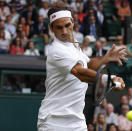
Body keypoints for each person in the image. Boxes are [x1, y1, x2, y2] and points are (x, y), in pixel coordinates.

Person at [37, 2, 127, 131]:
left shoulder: (74, 46)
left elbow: (88, 65)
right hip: (54, 121)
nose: (64, 31)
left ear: (73, 22)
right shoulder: (56, 49)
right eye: (59, 27)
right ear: (51, 28)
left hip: (77, 122)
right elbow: (80, 73)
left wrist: (105, 59)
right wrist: (110, 80)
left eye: (67, 25)